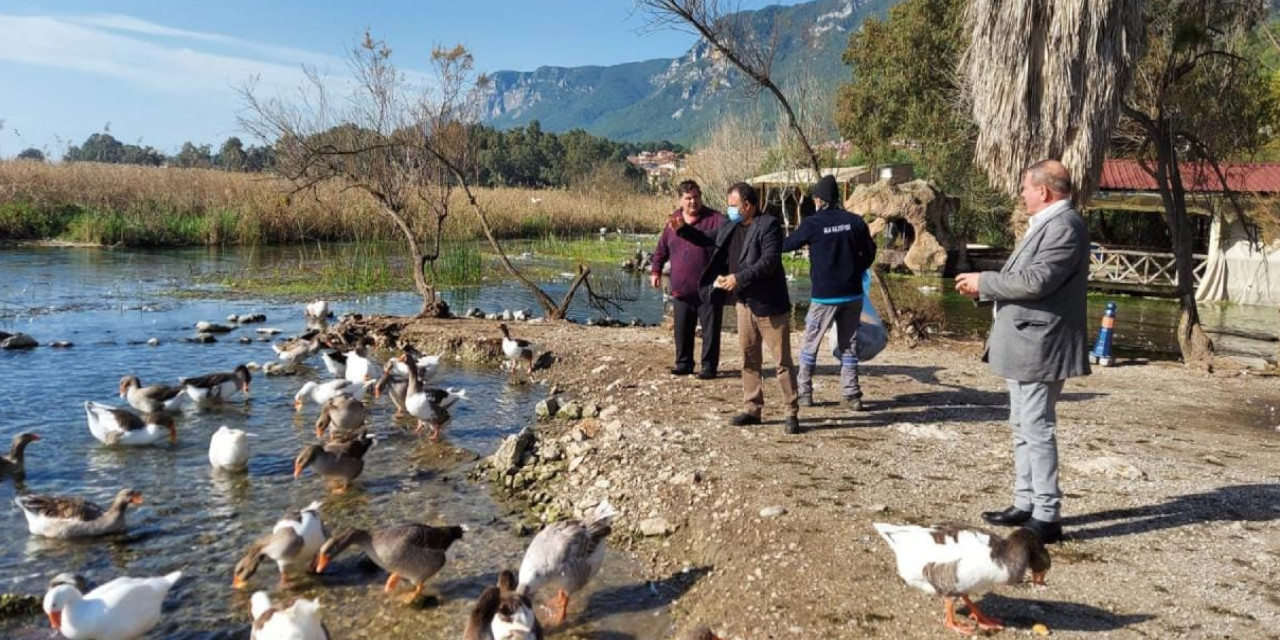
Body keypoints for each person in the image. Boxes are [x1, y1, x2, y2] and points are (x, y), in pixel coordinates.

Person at [954, 159, 1091, 544]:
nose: (1022, 194)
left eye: (1026, 188)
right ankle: (1025, 501)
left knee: (1036, 427)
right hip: (1027, 342)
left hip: (1041, 344)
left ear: (1043, 191)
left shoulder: (1064, 227)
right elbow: (1025, 279)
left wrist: (985, 281)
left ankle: (1047, 515)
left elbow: (1036, 281)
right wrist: (984, 289)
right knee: (1022, 425)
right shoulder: (1048, 224)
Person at [673, 182, 800, 434]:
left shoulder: (768, 225)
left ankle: (791, 412)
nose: (729, 209)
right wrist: (683, 230)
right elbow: (708, 238)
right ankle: (752, 409)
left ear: (747, 205)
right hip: (744, 304)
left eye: (733, 205)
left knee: (782, 362)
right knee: (749, 359)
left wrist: (738, 278)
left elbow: (769, 262)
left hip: (770, 306)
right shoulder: (730, 225)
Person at [781, 174, 877, 410]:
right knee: (849, 345)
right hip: (852, 294)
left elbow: (788, 245)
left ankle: (804, 392)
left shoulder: (813, 224)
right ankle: (851, 394)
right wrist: (857, 269)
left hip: (824, 296)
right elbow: (870, 252)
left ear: (818, 199)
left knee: (810, 344)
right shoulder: (855, 222)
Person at [651, 180, 726, 378]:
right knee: (682, 329)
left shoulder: (716, 220)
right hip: (681, 288)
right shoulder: (673, 222)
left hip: (710, 287)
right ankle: (683, 363)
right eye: (688, 198)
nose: (693, 202)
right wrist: (655, 270)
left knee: (710, 331)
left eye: (696, 197)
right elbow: (661, 249)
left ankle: (709, 367)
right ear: (680, 200)